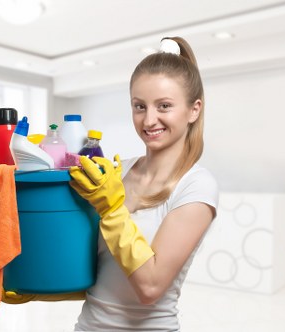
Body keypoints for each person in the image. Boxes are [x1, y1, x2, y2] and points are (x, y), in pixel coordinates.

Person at [68, 36, 219, 331]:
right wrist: (37, 284)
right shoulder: (117, 171)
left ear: (194, 110)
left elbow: (150, 286)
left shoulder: (196, 186)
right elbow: (92, 263)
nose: (149, 120)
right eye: (140, 106)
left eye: (164, 106)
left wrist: (112, 210)